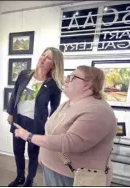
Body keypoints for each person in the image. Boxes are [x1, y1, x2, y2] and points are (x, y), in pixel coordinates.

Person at [13, 66, 117, 186]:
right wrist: (43, 155)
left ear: (88, 84)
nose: (66, 80)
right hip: (54, 170)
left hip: (74, 177)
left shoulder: (98, 110)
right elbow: (50, 132)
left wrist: (29, 136)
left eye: (72, 77)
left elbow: (70, 142)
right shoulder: (67, 104)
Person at [7, 47, 64, 187]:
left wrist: (50, 126)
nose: (43, 58)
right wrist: (10, 113)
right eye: (43, 54)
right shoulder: (24, 74)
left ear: (54, 64)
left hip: (36, 124)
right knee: (18, 151)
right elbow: (14, 94)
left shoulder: (53, 85)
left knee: (33, 154)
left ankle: (29, 180)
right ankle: (20, 177)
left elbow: (55, 109)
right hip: (19, 119)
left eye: (48, 58)